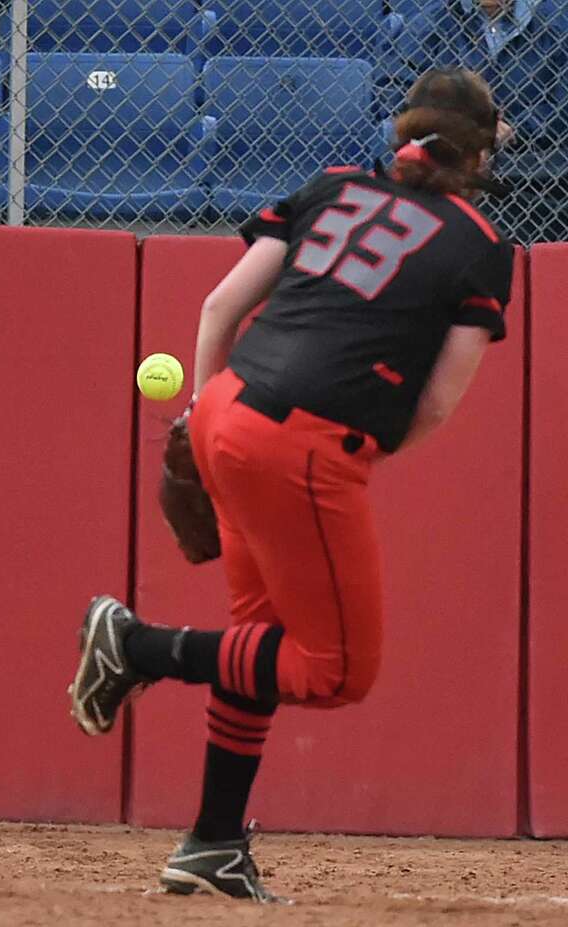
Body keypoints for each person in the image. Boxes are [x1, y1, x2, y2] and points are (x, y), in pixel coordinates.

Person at [69, 67, 513, 902]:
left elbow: (218, 306)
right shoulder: (481, 243)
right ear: (480, 154)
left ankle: (211, 839)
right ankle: (133, 645)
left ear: (401, 134)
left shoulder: (332, 186)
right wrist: (343, 460)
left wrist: (200, 420)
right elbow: (437, 403)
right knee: (336, 669)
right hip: (307, 440)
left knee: (262, 634)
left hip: (229, 402)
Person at [381, 1, 567, 242]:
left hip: (537, 163)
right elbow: (393, 91)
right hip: (450, 156)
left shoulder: (558, 22)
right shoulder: (429, 24)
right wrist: (455, 128)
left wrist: (518, 129)